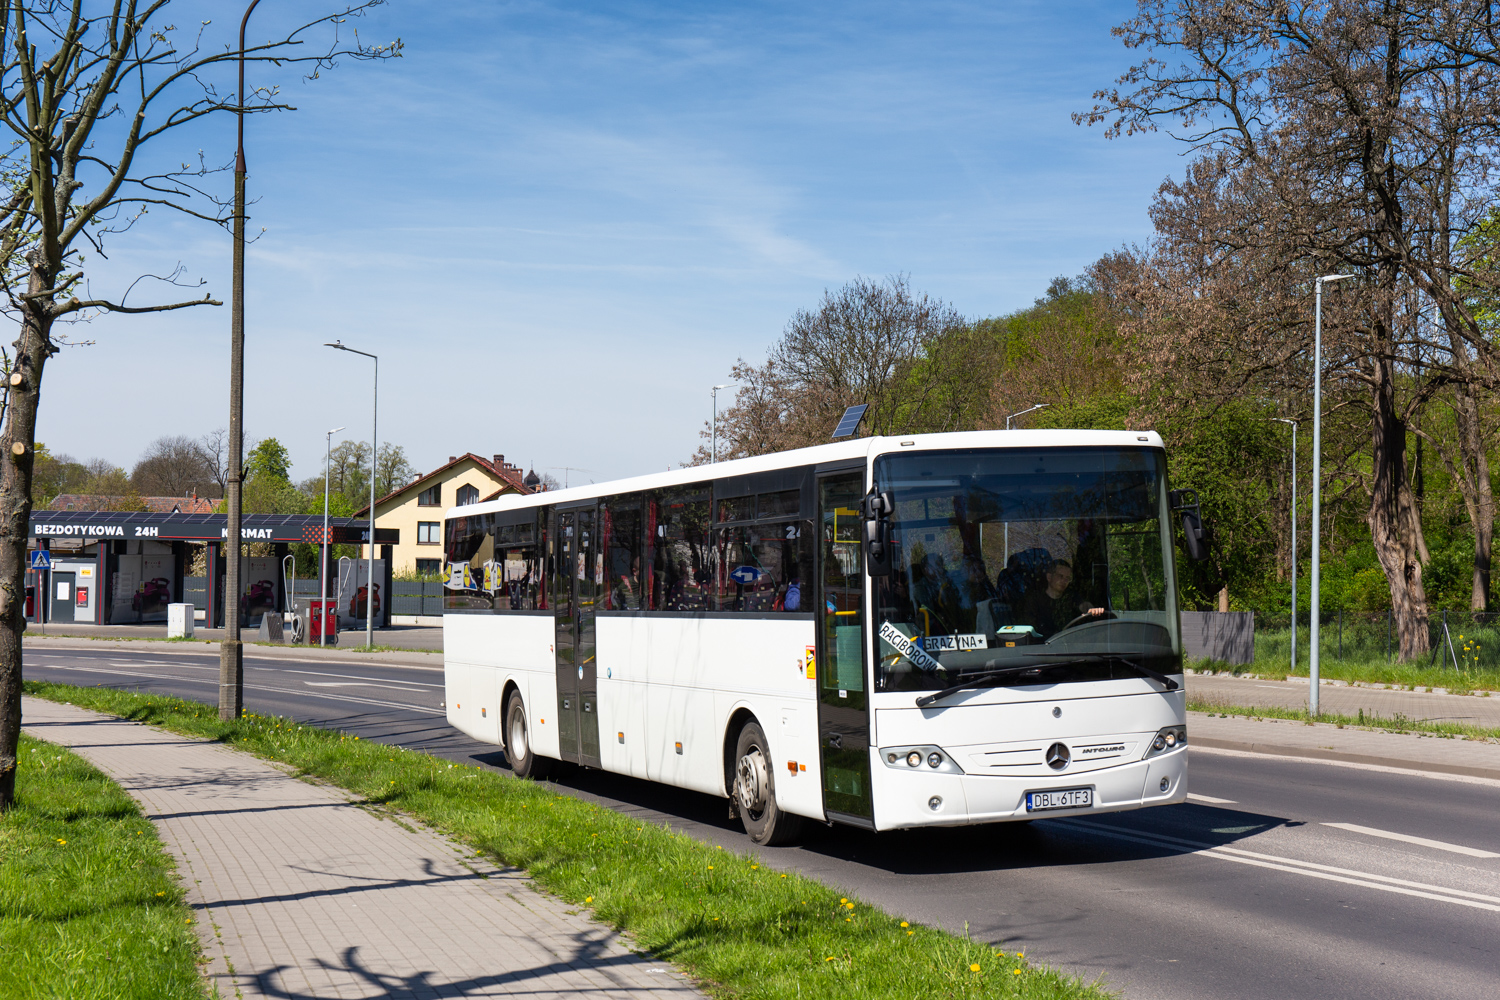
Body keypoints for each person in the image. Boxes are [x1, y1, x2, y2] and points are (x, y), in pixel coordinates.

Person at [1016, 559, 1105, 637]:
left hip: (1068, 647)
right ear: (1049, 577)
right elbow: (1028, 630)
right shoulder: (1034, 600)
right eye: (1060, 576)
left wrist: (1091, 610)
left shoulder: (1070, 596)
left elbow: (1083, 605)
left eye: (1067, 578)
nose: (1064, 581)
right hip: (1040, 649)